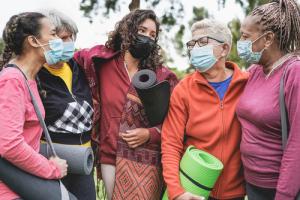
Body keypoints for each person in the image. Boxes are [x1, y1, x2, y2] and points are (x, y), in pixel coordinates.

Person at [74, 9, 178, 200]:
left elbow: (176, 120)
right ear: (127, 31)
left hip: (148, 162)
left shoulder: (162, 77)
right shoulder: (102, 63)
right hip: (110, 155)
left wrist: (150, 134)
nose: (147, 37)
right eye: (142, 30)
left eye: (152, 35)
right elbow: (69, 62)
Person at [161, 19, 248, 200]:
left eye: (202, 42)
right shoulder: (183, 89)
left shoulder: (248, 84)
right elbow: (171, 143)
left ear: (224, 49)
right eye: (192, 44)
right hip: (192, 189)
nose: (194, 49)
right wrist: (177, 192)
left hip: (235, 192)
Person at [236, 0, 300, 199]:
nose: (240, 42)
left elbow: (297, 143)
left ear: (268, 38)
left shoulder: (294, 72)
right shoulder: (255, 71)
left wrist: (284, 194)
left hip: (280, 189)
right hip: (252, 184)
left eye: (245, 37)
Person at [0, 12, 67, 200]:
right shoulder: (11, 81)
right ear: (34, 41)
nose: (58, 40)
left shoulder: (29, 78)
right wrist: (51, 169)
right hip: (9, 189)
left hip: (25, 184)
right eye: (53, 34)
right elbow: (9, 145)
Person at [37, 10, 96, 200]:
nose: (69, 42)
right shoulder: (36, 75)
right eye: (63, 37)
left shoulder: (79, 68)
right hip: (52, 162)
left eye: (71, 37)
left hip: (83, 161)